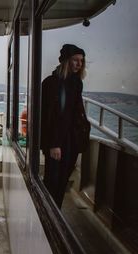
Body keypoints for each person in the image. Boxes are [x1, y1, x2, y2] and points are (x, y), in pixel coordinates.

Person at [41, 44, 88, 208]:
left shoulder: (76, 83)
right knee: (52, 180)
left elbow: (73, 114)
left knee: (62, 181)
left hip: (71, 140)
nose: (79, 64)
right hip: (56, 141)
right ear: (66, 61)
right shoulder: (51, 83)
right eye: (75, 60)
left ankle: (56, 212)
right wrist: (54, 144)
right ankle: (48, 214)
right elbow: (50, 117)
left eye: (81, 61)